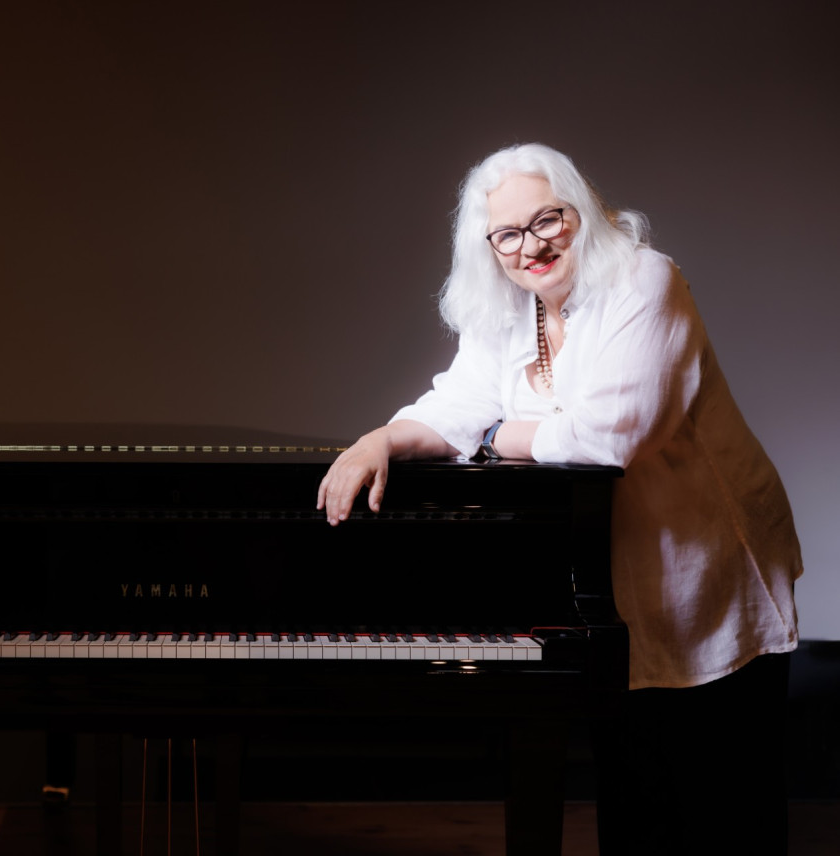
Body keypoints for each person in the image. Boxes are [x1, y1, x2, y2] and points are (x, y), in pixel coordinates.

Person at [316, 142, 803, 855]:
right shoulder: (514, 313)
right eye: (507, 233)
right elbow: (454, 403)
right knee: (636, 797)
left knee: (720, 800)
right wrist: (380, 440)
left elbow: (608, 439)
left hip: (708, 567)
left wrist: (491, 431)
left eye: (548, 220)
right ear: (489, 246)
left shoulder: (644, 279)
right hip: (614, 580)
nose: (530, 245)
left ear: (585, 213)